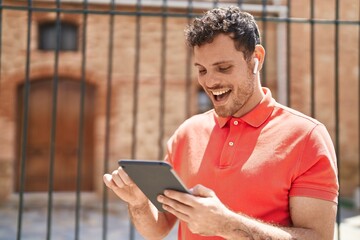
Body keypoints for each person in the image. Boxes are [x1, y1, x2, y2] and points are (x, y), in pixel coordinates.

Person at [103, 6, 339, 240]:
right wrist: (139, 203)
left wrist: (226, 225)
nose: (211, 81)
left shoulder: (306, 136)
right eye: (202, 70)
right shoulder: (188, 133)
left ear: (256, 59)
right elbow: (158, 229)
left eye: (223, 68)